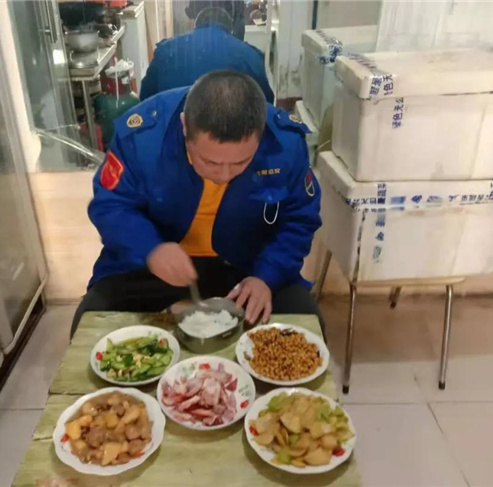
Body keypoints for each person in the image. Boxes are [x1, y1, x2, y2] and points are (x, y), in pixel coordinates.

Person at [72, 71, 322, 336]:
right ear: (184, 126)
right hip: (154, 266)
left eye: (240, 163)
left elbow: (300, 218)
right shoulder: (143, 137)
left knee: (305, 324)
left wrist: (266, 277)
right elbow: (111, 205)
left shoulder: (284, 143)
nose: (224, 175)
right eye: (210, 162)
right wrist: (150, 249)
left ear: (260, 136)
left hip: (247, 265)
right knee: (91, 322)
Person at [139, 6, 273, 103]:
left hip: (174, 127)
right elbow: (266, 104)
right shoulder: (249, 55)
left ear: (195, 25)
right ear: (230, 30)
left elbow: (145, 96)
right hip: (229, 129)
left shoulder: (166, 50)